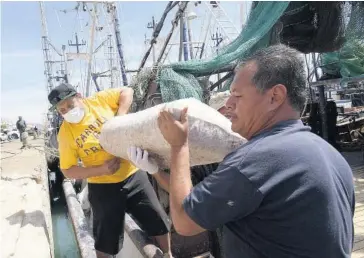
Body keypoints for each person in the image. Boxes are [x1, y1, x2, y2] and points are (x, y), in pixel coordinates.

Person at [155, 44, 355, 258]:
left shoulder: (255, 160)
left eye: (237, 95)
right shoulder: (330, 154)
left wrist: (179, 146)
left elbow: (185, 222)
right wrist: (157, 172)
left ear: (275, 97)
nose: (228, 104)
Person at [48, 83, 172, 258]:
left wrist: (120, 117)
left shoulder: (98, 101)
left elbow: (127, 91)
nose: (68, 111)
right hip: (102, 187)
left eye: (70, 105)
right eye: (62, 110)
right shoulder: (65, 133)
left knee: (158, 219)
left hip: (133, 174)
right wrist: (101, 170)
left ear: (80, 96)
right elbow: (68, 170)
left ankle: (168, 253)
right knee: (105, 240)